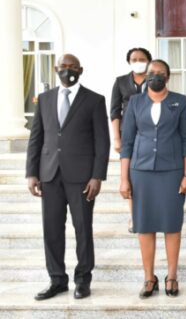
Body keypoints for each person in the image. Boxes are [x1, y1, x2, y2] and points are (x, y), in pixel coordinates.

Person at [26, 54, 110, 300]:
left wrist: (97, 176)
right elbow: (36, 138)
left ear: (81, 70)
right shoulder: (44, 99)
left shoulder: (94, 100)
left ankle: (83, 280)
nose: (68, 70)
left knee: (83, 229)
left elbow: (101, 142)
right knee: (51, 230)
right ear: (56, 69)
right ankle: (57, 280)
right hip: (49, 175)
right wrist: (31, 173)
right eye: (64, 66)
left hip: (82, 178)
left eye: (73, 67)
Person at [119, 59, 186, 299]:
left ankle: (171, 275)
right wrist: (124, 179)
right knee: (144, 226)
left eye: (160, 73)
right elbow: (127, 142)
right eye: (152, 73)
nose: (155, 76)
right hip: (141, 171)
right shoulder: (135, 102)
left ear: (168, 77)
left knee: (172, 225)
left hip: (172, 172)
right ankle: (149, 277)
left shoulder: (179, 101)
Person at [111, 47, 151, 233]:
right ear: (129, 61)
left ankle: (149, 214)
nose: (138, 61)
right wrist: (117, 138)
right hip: (128, 134)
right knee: (130, 176)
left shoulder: (155, 80)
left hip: (151, 134)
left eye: (142, 58)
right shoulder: (120, 82)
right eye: (134, 59)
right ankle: (134, 216)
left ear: (149, 61)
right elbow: (114, 111)